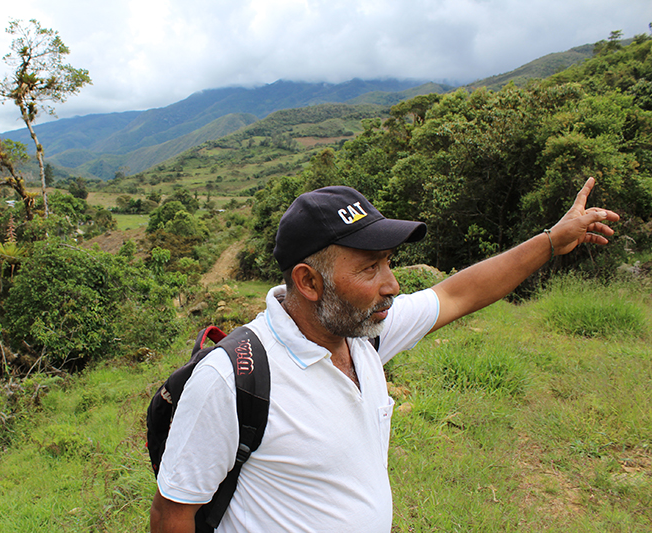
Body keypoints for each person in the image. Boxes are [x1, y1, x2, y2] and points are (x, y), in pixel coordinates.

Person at [150, 178, 619, 532]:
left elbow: (457, 295)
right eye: (370, 267)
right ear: (309, 283)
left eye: (389, 262)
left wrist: (552, 240)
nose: (391, 284)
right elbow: (173, 512)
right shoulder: (234, 377)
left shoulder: (363, 334)